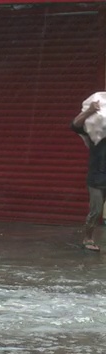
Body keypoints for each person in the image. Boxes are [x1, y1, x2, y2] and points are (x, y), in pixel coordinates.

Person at [71, 100, 106, 251]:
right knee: (96, 211)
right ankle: (88, 238)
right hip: (97, 179)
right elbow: (75, 125)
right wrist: (90, 111)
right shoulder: (96, 135)